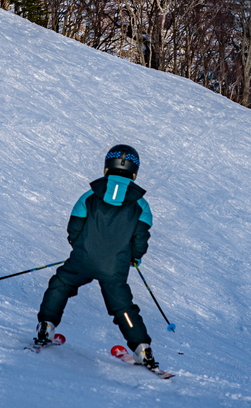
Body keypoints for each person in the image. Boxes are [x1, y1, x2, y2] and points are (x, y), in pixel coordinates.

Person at [35, 144, 157, 370]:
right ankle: (142, 348)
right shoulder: (141, 205)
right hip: (115, 268)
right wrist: (134, 257)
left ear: (106, 167)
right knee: (123, 308)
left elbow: (74, 227)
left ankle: (47, 325)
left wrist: (80, 247)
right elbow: (140, 239)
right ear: (134, 171)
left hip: (82, 259)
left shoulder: (89, 195)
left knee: (60, 285)